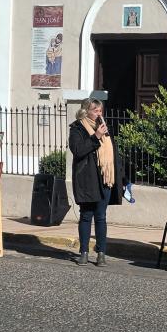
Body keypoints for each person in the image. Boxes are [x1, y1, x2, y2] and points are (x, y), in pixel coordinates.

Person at [68, 98, 125, 267]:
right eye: (95, 110)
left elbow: (114, 154)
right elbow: (78, 151)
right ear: (86, 111)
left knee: (101, 217)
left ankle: (101, 253)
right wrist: (96, 136)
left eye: (100, 110)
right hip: (87, 179)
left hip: (105, 179)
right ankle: (84, 252)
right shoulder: (77, 128)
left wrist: (121, 177)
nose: (99, 114)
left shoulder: (105, 128)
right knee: (86, 216)